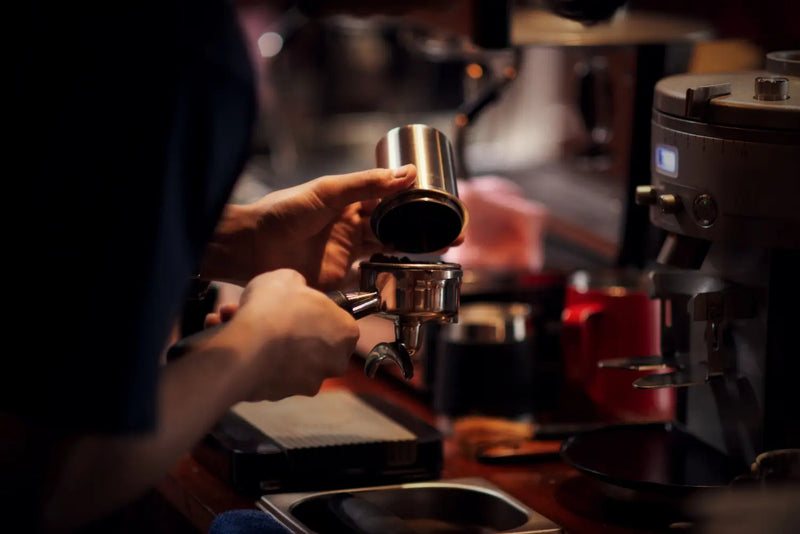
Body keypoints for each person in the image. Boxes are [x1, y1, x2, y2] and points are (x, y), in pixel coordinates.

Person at [5, 1, 461, 532]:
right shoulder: (182, 51)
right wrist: (255, 348)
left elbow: (40, 232)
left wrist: (233, 239)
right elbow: (53, 479)